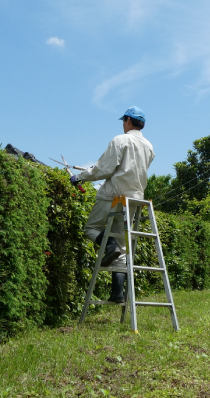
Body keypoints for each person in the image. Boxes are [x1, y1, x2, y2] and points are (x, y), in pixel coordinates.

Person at [71, 106, 154, 303]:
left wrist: (80, 177)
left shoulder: (121, 140)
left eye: (123, 121)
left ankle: (109, 245)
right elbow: (129, 170)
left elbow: (103, 169)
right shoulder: (149, 146)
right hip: (134, 200)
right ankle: (117, 294)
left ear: (127, 120)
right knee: (122, 247)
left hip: (113, 196)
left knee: (91, 228)